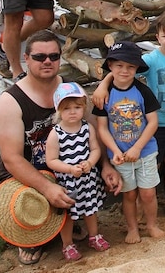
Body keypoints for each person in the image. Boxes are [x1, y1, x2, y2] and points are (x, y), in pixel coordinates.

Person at [0, 30, 123, 266]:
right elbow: (11, 159)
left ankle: (66, 222)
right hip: (30, 172)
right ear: (27, 58)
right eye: (40, 57)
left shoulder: (71, 90)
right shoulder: (10, 101)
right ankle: (32, 237)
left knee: (83, 184)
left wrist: (105, 165)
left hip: (69, 167)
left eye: (53, 56)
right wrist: (46, 188)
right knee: (31, 205)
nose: (47, 62)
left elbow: (91, 132)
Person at [93, 9, 165, 218]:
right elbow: (123, 73)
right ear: (157, 37)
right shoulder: (151, 60)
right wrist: (103, 85)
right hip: (153, 123)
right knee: (152, 163)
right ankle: (144, 202)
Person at [92, 42, 164, 243]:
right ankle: (132, 228)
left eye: (130, 67)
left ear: (137, 69)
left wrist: (138, 147)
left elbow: (153, 122)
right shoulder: (104, 96)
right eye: (119, 66)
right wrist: (115, 150)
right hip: (120, 155)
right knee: (129, 195)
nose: (124, 71)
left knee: (148, 193)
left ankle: (151, 224)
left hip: (146, 151)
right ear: (111, 66)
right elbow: (102, 128)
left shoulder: (143, 91)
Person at [45, 82, 109, 261]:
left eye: (77, 107)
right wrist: (70, 169)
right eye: (67, 109)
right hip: (68, 181)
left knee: (90, 209)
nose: (72, 112)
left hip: (87, 179)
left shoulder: (87, 128)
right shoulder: (56, 134)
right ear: (58, 110)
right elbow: (51, 160)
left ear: (84, 108)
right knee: (68, 215)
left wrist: (90, 162)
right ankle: (67, 244)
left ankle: (93, 235)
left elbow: (95, 149)